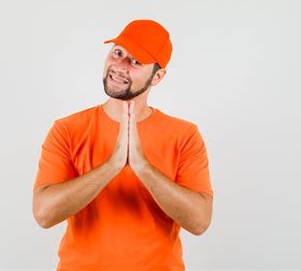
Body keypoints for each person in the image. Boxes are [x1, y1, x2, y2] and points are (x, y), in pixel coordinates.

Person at [32, 19, 214, 271]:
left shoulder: (185, 135)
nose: (119, 66)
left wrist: (142, 166)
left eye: (136, 61)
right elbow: (43, 214)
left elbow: (199, 221)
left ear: (158, 76)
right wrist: (112, 165)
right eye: (118, 53)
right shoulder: (67, 129)